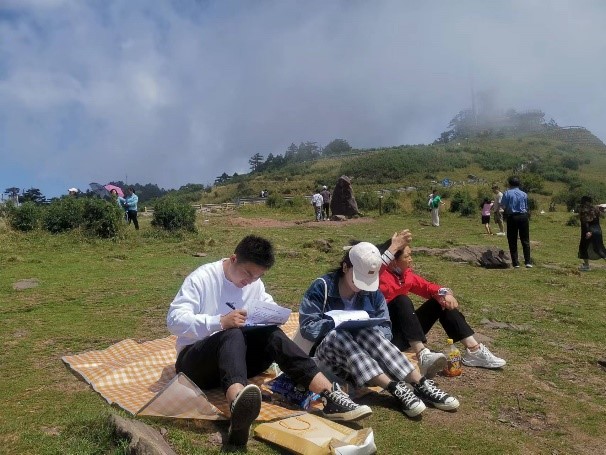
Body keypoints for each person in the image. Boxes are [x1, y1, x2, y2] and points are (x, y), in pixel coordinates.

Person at [167, 235, 371, 447]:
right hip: (196, 365)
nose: (250, 281)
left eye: (258, 276)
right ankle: (238, 406)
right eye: (248, 273)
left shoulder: (254, 283)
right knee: (232, 333)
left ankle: (330, 395)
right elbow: (174, 320)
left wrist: (272, 315)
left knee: (272, 334)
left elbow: (266, 305)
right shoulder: (202, 278)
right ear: (234, 258)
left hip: (237, 361)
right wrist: (219, 322)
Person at [298, 237, 459, 418]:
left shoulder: (372, 291)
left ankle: (420, 383)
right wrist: (337, 323)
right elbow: (308, 327)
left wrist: (362, 330)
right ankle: (394, 387)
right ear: (345, 267)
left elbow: (385, 329)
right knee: (340, 334)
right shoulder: (323, 287)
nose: (362, 286)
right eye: (359, 279)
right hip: (327, 360)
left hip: (364, 363)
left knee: (367, 332)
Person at [376, 237, 506, 378]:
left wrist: (445, 294)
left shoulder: (405, 275)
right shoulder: (377, 277)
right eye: (407, 256)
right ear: (393, 260)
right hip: (386, 337)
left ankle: (474, 350)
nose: (411, 259)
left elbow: (428, 287)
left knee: (440, 301)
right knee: (402, 300)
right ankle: (422, 353)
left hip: (405, 333)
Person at [501, 176, 531, 268]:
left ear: (509, 184)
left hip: (512, 217)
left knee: (512, 239)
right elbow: (526, 207)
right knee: (525, 239)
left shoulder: (507, 193)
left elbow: (503, 206)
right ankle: (528, 262)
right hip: (523, 217)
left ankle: (516, 263)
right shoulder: (524, 194)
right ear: (519, 184)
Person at [577, 196, 606, 271]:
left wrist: (588, 231)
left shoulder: (584, 210)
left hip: (589, 231)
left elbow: (586, 222)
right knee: (599, 248)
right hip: (598, 230)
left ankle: (586, 266)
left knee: (583, 248)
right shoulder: (595, 209)